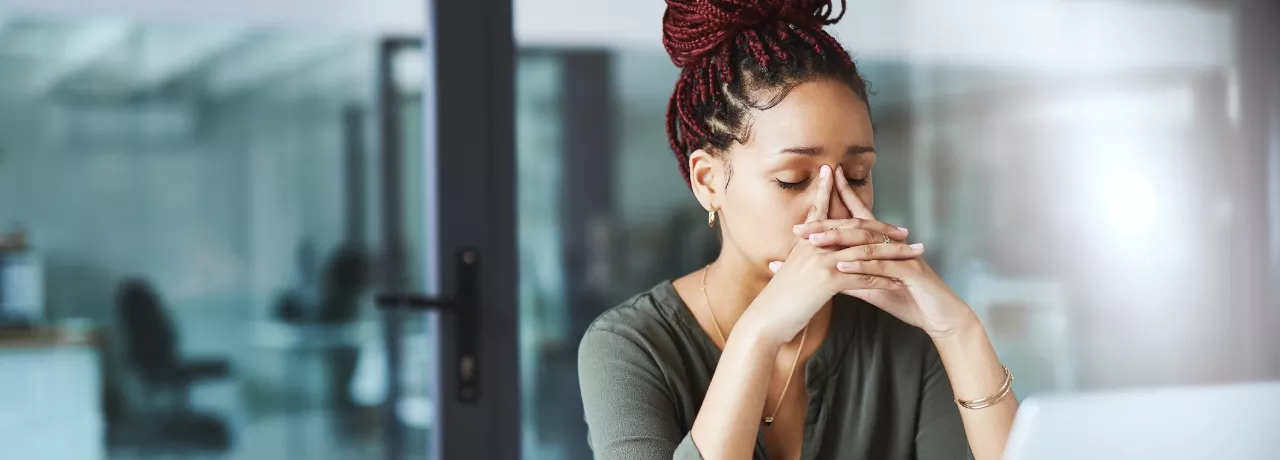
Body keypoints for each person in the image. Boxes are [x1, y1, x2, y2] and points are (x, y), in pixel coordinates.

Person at [577, 1, 1018, 459]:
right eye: (793, 178)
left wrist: (958, 330)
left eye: (857, 174)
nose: (828, 205)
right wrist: (759, 334)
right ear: (707, 181)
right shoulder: (629, 347)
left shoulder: (902, 336)